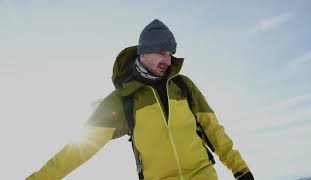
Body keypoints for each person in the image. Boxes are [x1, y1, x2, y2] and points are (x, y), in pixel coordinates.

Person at [26, 19, 254, 180]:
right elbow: (79, 149)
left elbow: (215, 132)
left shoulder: (183, 86)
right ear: (142, 53)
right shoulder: (122, 99)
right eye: (161, 52)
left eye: (170, 53)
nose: (167, 60)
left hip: (203, 175)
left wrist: (241, 170)